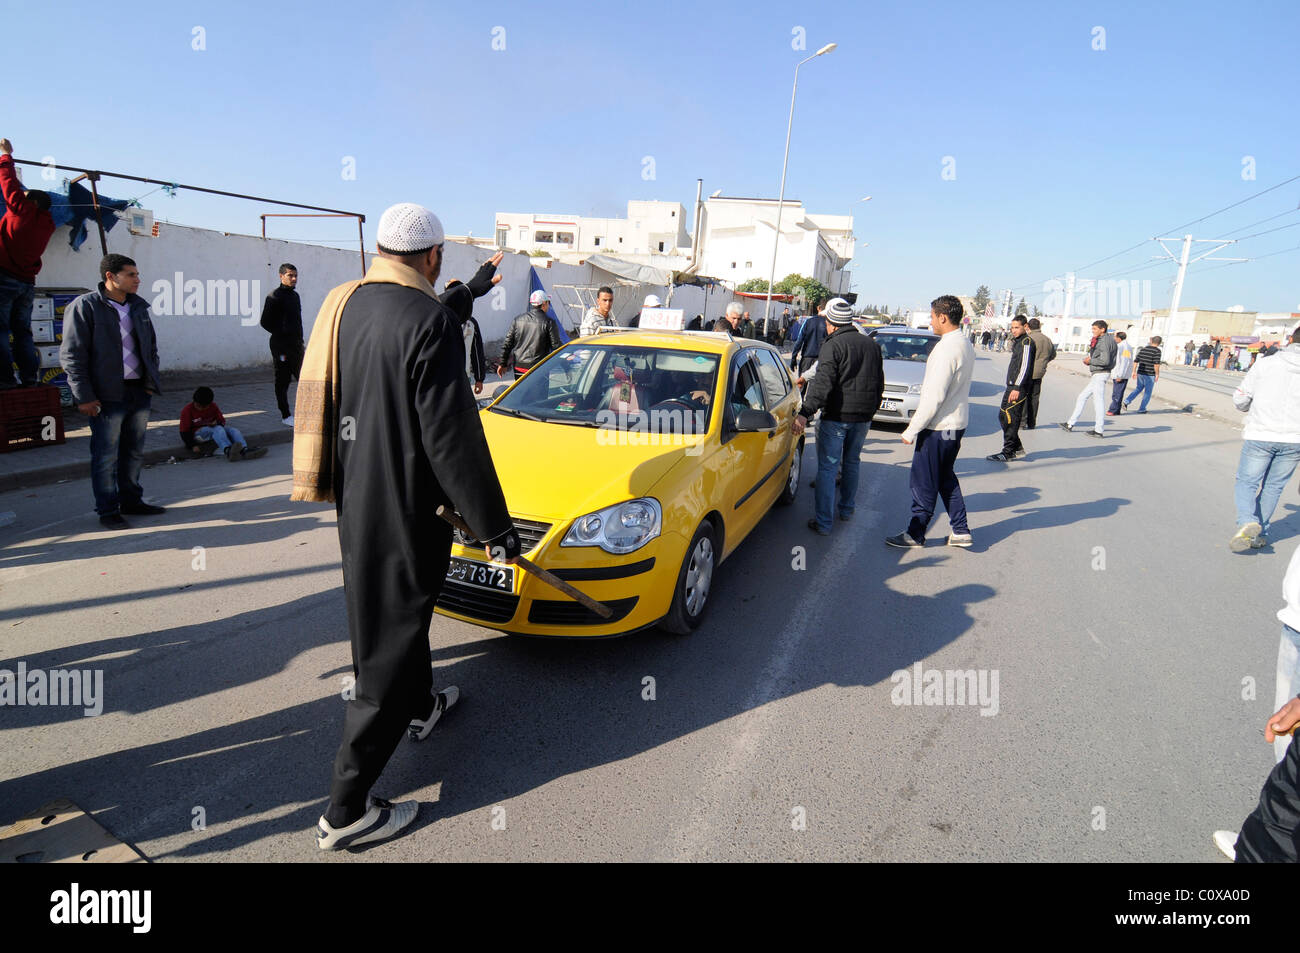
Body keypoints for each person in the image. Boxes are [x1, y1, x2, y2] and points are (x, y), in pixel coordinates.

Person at [291, 202, 521, 851]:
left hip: (359, 494)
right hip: (408, 506)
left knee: (398, 618)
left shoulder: (348, 306)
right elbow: (454, 440)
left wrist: (470, 289)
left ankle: (422, 705)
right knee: (387, 648)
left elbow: (428, 318)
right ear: (432, 257)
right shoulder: (429, 322)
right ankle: (345, 810)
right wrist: (493, 525)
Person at [60, 255, 165, 528]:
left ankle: (132, 501)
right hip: (106, 394)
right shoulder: (85, 307)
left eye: (137, 274)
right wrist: (83, 395)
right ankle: (108, 510)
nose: (137, 279)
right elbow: (72, 355)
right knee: (106, 455)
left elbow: (151, 347)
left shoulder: (138, 307)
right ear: (111, 276)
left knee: (133, 451)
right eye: (131, 274)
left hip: (138, 391)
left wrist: (150, 381)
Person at [886, 295, 975, 549]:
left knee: (924, 481)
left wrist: (912, 429)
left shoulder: (946, 348)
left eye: (933, 315)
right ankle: (960, 529)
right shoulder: (964, 343)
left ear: (943, 317)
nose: (931, 320)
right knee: (945, 477)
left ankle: (915, 533)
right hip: (955, 425)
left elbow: (935, 395)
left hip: (938, 427)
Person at [792, 298, 883, 535]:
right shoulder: (871, 344)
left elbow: (823, 384)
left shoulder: (832, 345)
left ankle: (823, 522)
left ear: (831, 323)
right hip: (863, 418)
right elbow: (879, 383)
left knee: (828, 469)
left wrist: (804, 413)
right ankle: (846, 510)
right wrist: (870, 410)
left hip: (837, 417)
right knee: (852, 463)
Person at [1228, 326, 1300, 552]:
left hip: (1261, 433)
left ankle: (1247, 521)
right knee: (1273, 487)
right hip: (1295, 439)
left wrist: (1251, 406)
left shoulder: (1265, 363)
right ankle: (1260, 533)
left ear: (1289, 339)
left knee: (1247, 482)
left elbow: (1241, 399)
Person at [0, 138, 56, 389]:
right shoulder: (47, 224)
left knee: (0, 330)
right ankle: (30, 378)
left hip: (4, 279)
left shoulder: (22, 210)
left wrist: (5, 155)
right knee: (22, 332)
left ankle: (5, 379)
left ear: (31, 202)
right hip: (26, 284)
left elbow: (8, 183)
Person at [259, 263, 304, 426]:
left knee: (304, 379)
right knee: (283, 380)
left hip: (297, 346)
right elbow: (265, 322)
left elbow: (297, 322)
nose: (294, 279)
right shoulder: (274, 297)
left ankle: (306, 412)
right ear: (281, 276)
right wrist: (282, 332)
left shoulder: (295, 296)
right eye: (290, 275)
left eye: (295, 275)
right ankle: (286, 415)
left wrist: (299, 340)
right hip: (281, 348)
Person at [987, 316, 1034, 462]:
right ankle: (1017, 448)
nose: (1013, 330)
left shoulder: (1027, 342)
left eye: (1016, 327)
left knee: (1010, 418)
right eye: (1012, 327)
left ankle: (1008, 452)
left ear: (1025, 326)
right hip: (1012, 386)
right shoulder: (1018, 341)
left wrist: (1017, 387)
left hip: (1018, 388)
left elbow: (1025, 366)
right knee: (1003, 417)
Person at [179, 386, 267, 461]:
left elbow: (222, 421)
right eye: (198, 406)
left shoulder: (213, 406)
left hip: (214, 429)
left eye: (204, 407)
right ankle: (228, 451)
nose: (201, 409)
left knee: (233, 430)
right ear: (194, 401)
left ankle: (244, 450)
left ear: (209, 404)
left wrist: (216, 422)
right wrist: (192, 445)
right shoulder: (187, 410)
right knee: (218, 429)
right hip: (198, 435)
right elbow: (184, 432)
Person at [1060, 320, 1116, 437]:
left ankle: (1098, 430)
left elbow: (1105, 360)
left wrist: (1090, 361)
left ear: (1102, 329)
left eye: (1095, 329)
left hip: (1100, 373)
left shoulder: (1105, 341)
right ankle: (1070, 423)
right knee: (1082, 397)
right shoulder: (1109, 339)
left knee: (1098, 402)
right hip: (1099, 373)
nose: (1093, 331)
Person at [498, 289, 562, 379]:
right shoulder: (549, 322)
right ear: (544, 304)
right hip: (539, 368)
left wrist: (502, 363)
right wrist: (566, 366)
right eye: (548, 302)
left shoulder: (518, 320)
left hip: (519, 367)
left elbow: (507, 344)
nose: (549, 305)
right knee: (539, 393)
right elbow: (557, 347)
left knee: (521, 392)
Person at [1024, 318, 1056, 429]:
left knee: (1024, 397)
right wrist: (1043, 362)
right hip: (1040, 372)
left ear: (1028, 326)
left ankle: (1022, 422)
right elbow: (1053, 355)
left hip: (1027, 372)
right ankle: (1032, 423)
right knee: (1035, 397)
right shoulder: (1047, 339)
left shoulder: (1028, 338)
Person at [1123, 336, 1162, 413]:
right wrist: (1157, 374)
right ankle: (1142, 408)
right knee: (1148, 392)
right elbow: (1156, 364)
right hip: (1150, 374)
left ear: (1151, 341)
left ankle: (1126, 401)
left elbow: (1136, 361)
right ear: (1159, 343)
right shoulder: (1157, 351)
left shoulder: (1144, 349)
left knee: (1138, 388)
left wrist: (1134, 371)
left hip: (1140, 372)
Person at [790, 302, 827, 382]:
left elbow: (799, 341)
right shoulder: (829, 325)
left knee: (801, 385)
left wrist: (794, 358)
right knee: (816, 389)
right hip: (821, 360)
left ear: (818, 308)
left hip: (807, 358)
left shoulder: (808, 322)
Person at [1106, 331, 1134, 416]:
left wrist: (1120, 375)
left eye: (1115, 337)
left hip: (1121, 374)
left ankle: (1113, 410)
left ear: (1119, 338)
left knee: (1117, 393)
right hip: (1118, 373)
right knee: (1117, 392)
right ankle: (1116, 410)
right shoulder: (1122, 346)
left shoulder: (1125, 347)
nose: (1114, 339)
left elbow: (1125, 361)